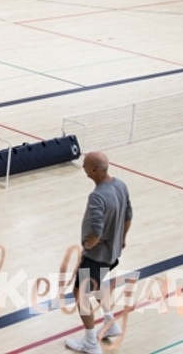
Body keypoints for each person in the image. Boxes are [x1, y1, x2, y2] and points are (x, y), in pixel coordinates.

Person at [65, 151, 132, 353]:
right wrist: (122, 237)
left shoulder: (97, 196)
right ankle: (111, 323)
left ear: (94, 170)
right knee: (98, 284)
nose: (82, 166)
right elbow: (129, 214)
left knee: (80, 294)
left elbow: (96, 230)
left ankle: (91, 342)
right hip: (112, 253)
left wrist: (88, 246)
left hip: (96, 255)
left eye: (84, 164)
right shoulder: (120, 184)